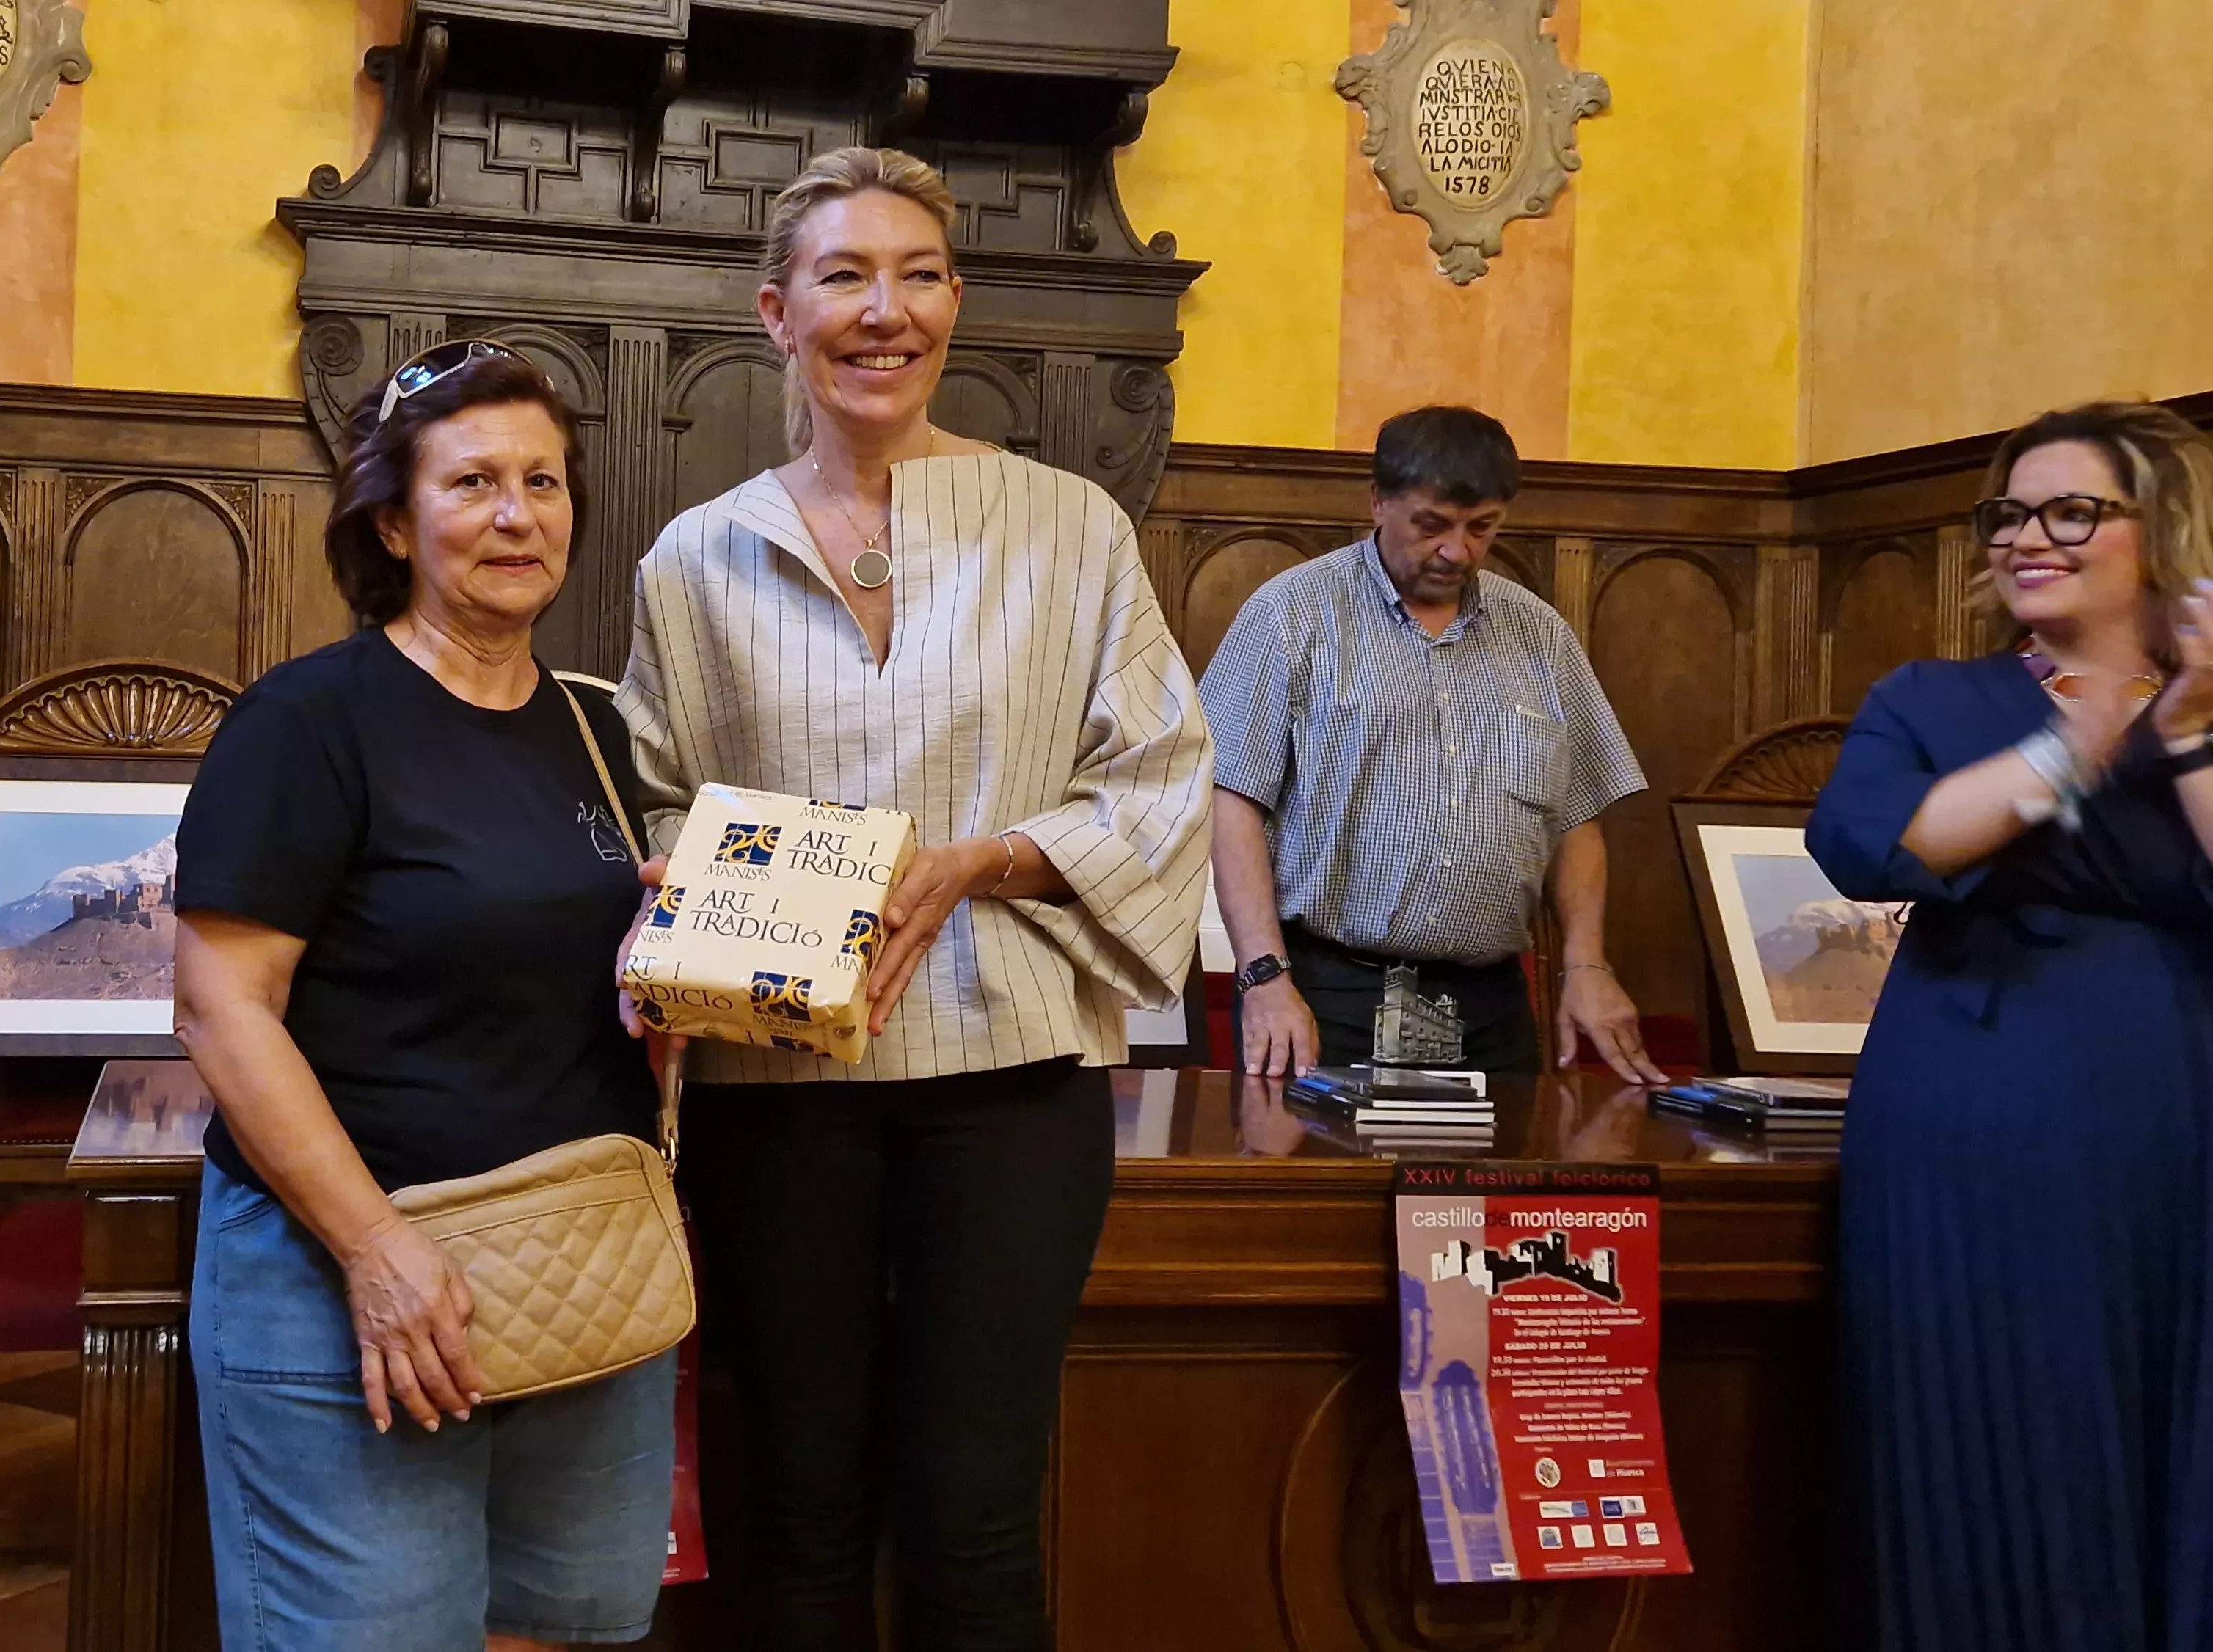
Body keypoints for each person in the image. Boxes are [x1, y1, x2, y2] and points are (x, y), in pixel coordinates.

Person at [616, 147, 1212, 1652]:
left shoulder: (1068, 527)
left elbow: (1157, 777)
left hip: (1012, 1084)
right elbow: (654, 796)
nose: (884, 311)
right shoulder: (696, 555)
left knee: (975, 1505)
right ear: (774, 311)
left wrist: (976, 861)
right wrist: (712, 905)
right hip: (776, 1086)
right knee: (794, 1502)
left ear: (956, 302)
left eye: (918, 275)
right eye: (842, 276)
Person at [170, 341, 675, 1652]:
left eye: (545, 482)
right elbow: (222, 1006)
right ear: (393, 521)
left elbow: (556, 970)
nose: (518, 515)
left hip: (578, 1262)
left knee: (559, 1620)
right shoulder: (309, 720)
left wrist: (669, 968)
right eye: (474, 484)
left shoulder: (595, 727)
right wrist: (377, 1251)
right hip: (354, 1264)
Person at [1805, 400, 2213, 1652]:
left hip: (2173, 1130)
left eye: (2072, 510)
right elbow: (1876, 840)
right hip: (1971, 1125)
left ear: (2163, 531)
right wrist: (2070, 746)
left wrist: (2188, 726)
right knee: (1988, 1430)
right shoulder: (1934, 695)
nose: (2028, 536)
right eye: (2010, 514)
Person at [1197, 406, 1663, 1082]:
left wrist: (1588, 962)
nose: (1458, 551)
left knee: (1489, 1190)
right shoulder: (1292, 615)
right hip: (1330, 993)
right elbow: (1230, 801)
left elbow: (1578, 813)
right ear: (1379, 502)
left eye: (1483, 528)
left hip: (1493, 1002)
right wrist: (1263, 977)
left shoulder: (1540, 634)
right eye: (1432, 525)